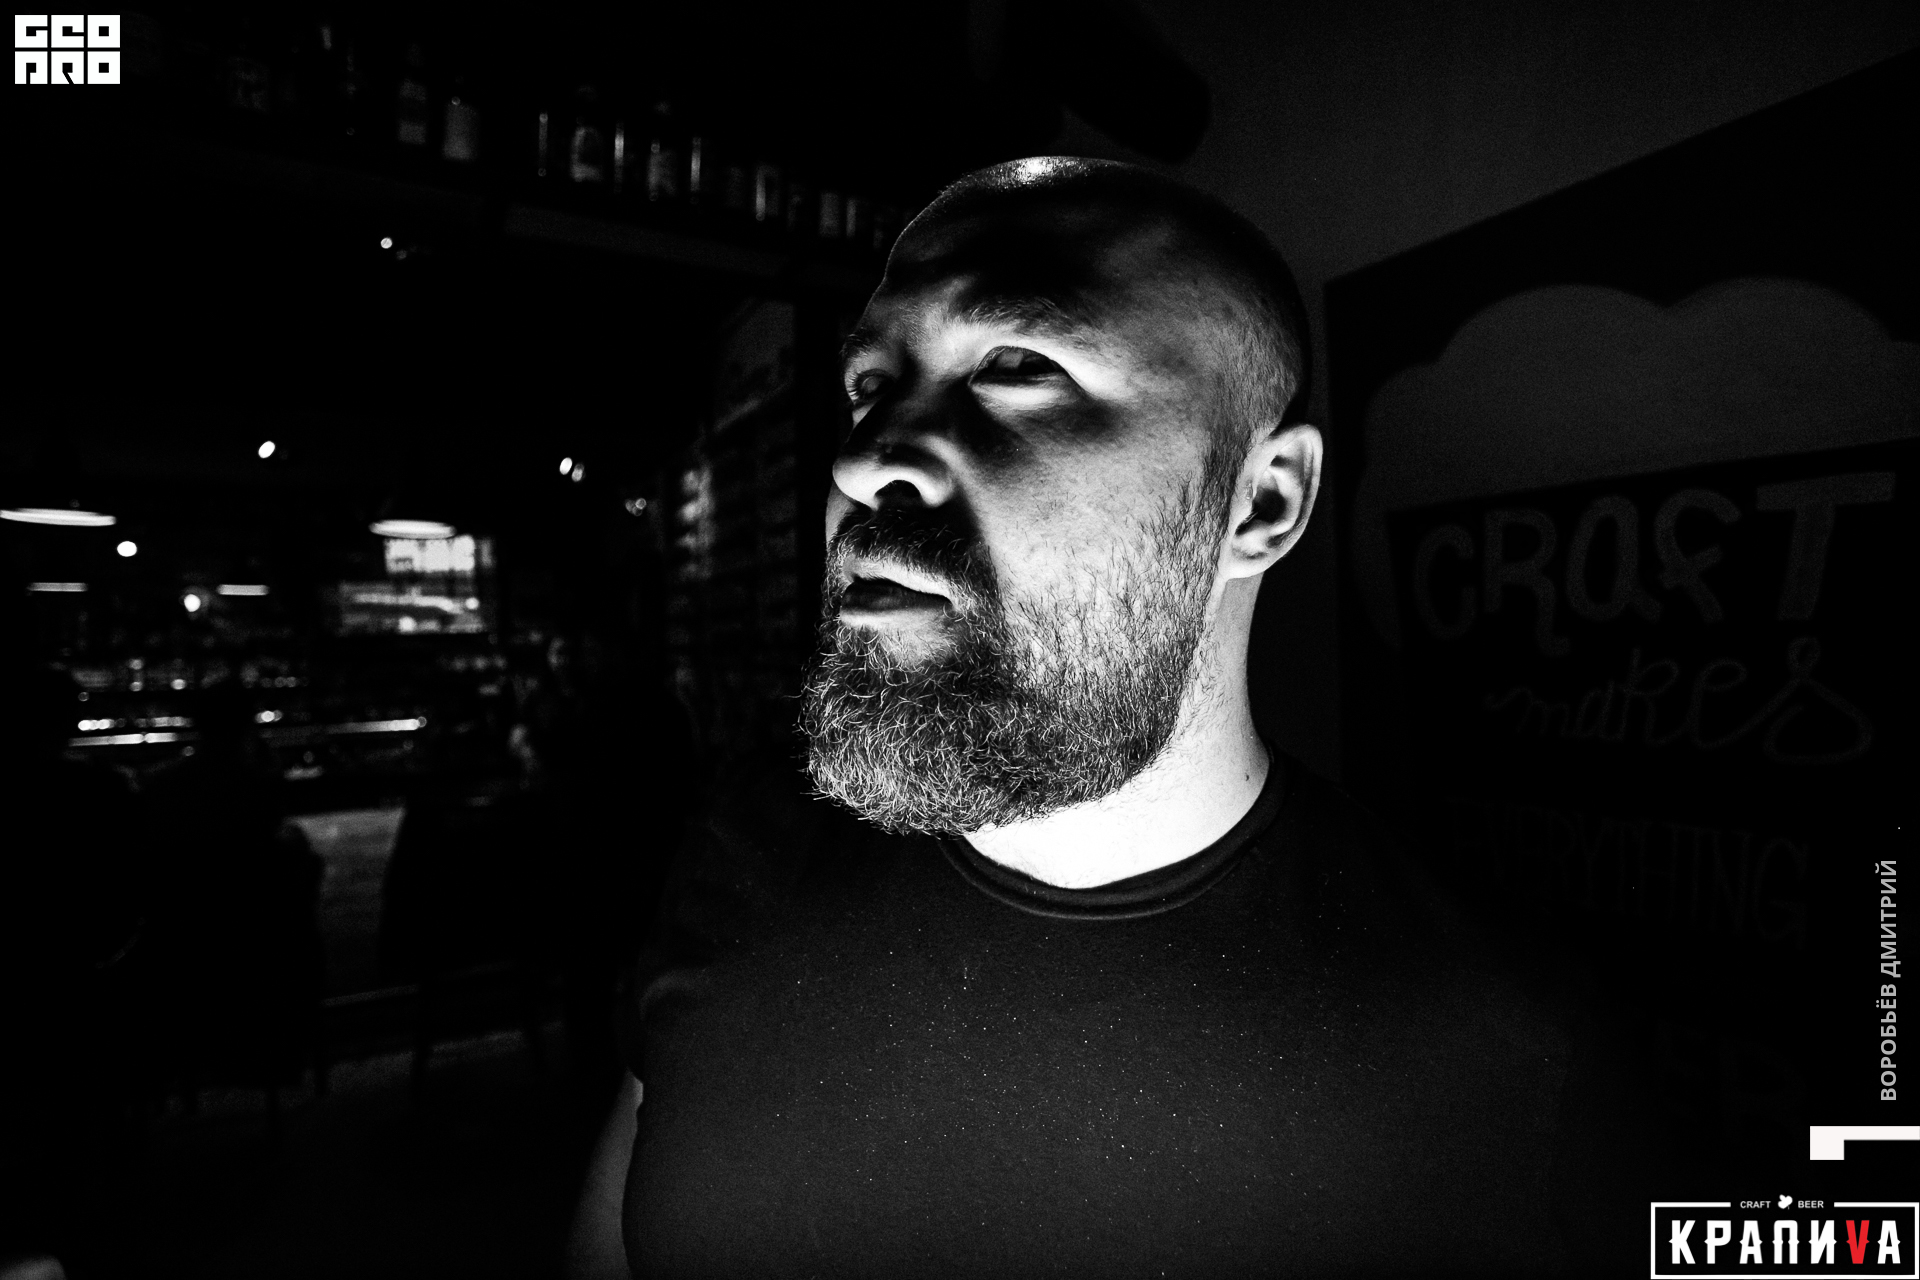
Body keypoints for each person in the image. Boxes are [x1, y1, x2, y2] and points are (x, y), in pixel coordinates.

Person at [569, 157, 1639, 1278]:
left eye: (1017, 365)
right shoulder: (742, 854)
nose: (865, 458)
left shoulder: (1507, 1051)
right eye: (872, 386)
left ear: (1263, 500)